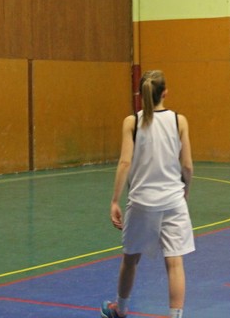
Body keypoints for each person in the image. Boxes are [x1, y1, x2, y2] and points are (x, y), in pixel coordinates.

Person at [100, 70, 194, 318]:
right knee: (175, 262)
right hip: (173, 201)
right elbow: (187, 166)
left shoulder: (131, 122)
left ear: (141, 94)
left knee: (130, 259)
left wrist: (114, 200)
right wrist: (186, 189)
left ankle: (120, 310)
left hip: (141, 202)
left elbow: (124, 163)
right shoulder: (179, 121)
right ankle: (176, 315)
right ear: (165, 93)